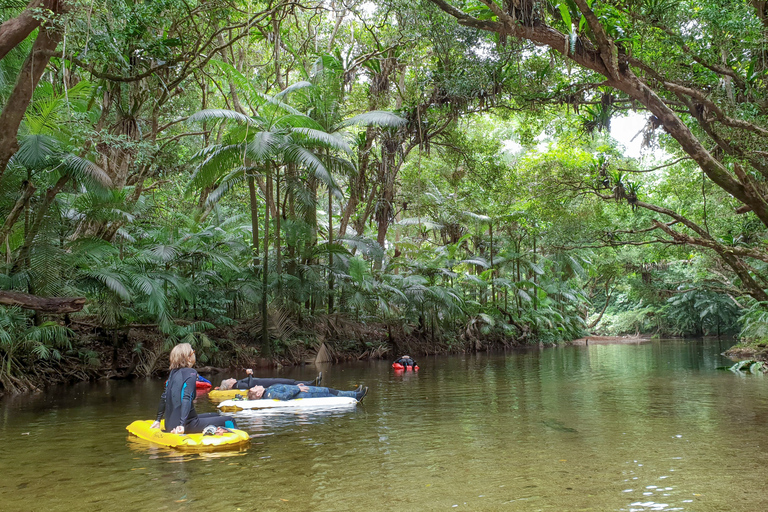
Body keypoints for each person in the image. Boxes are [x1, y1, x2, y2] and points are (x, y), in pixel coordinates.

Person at [151, 343, 238, 435]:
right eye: (193, 352)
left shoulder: (173, 373)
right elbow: (186, 398)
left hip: (169, 424)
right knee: (230, 420)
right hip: (186, 424)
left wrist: (158, 420)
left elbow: (164, 397)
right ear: (189, 358)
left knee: (216, 415)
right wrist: (181, 425)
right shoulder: (191, 372)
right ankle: (239, 443)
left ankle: (213, 431)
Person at [246, 383, 368, 402]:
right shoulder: (269, 394)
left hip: (304, 391)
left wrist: (295, 386)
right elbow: (284, 396)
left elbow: (284, 388)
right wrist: (297, 389)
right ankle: (356, 396)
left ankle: (353, 393)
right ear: (258, 394)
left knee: (331, 391)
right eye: (254, 388)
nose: (256, 385)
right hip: (306, 394)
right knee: (331, 393)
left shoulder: (269, 389)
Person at [217, 369, 322, 391]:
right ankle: (312, 384)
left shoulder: (238, 383)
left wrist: (251, 375)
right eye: (229, 380)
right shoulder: (237, 386)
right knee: (288, 382)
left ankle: (312, 383)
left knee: (289, 381)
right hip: (267, 383)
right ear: (229, 386)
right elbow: (250, 385)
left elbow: (251, 382)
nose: (231, 378)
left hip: (267, 381)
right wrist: (249, 375)